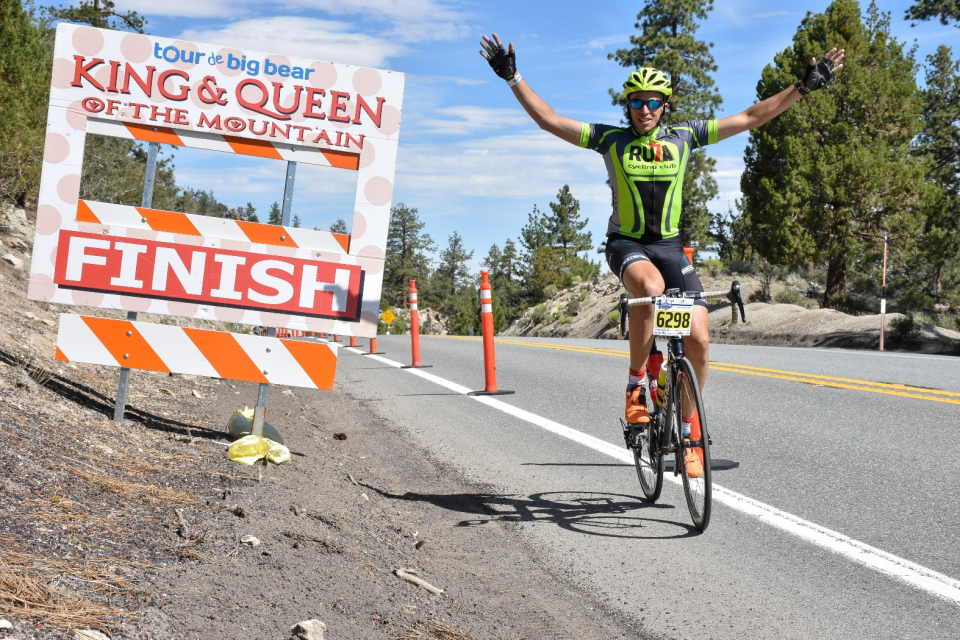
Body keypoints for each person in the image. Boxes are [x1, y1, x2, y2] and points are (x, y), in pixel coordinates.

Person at [480, 33, 844, 477]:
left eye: (654, 102)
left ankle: (691, 434)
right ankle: (636, 387)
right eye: (637, 103)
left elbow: (751, 117)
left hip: (670, 248)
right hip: (627, 245)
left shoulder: (686, 137)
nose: (645, 110)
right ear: (627, 106)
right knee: (650, 289)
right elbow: (550, 120)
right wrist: (513, 77)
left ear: (666, 106)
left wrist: (801, 88)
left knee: (700, 339)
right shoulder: (609, 139)